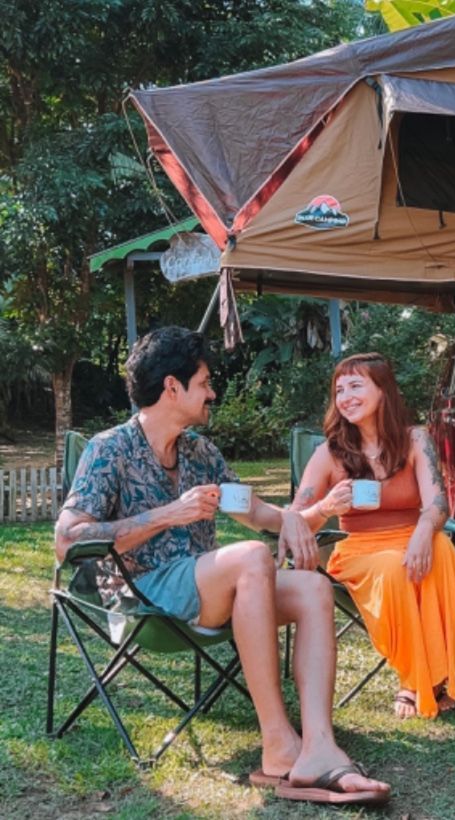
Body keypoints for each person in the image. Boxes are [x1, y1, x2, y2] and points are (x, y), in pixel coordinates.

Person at [54, 327, 390, 806]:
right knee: (252, 556)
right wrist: (169, 514)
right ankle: (278, 744)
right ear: (173, 387)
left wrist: (295, 518)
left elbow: (254, 513)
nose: (213, 392)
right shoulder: (109, 450)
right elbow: (66, 541)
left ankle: (317, 744)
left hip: (204, 588)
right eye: (205, 381)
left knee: (313, 588)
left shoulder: (200, 452)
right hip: (142, 595)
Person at [291, 352, 455, 719]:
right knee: (393, 567)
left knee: (442, 550)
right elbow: (296, 522)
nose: (346, 397)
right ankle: (414, 679)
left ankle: (439, 674)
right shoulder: (330, 454)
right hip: (360, 550)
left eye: (356, 386)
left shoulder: (415, 439)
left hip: (412, 536)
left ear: (383, 391)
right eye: (339, 390)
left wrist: (422, 530)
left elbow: (437, 502)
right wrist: (326, 508)